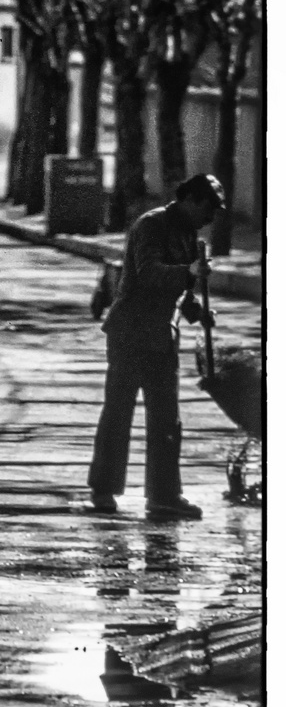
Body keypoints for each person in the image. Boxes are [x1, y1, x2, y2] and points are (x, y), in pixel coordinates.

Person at [87, 173, 225, 521]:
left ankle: (164, 494)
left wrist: (197, 313)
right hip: (131, 334)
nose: (211, 217)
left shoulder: (189, 233)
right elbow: (149, 274)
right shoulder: (151, 225)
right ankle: (103, 490)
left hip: (163, 337)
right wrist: (189, 270)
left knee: (167, 419)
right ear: (191, 199)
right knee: (119, 414)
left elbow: (181, 291)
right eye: (208, 208)